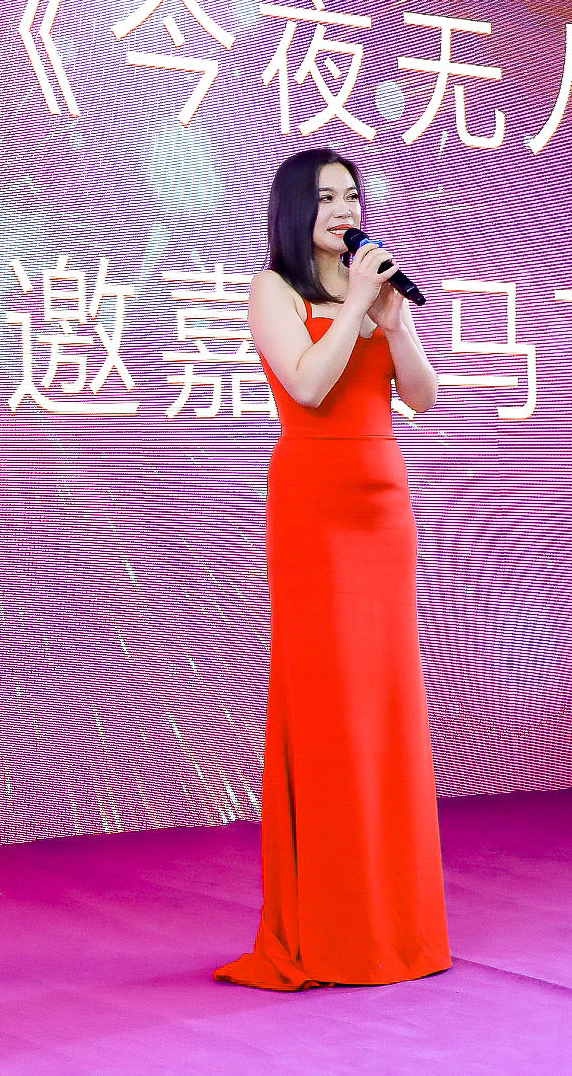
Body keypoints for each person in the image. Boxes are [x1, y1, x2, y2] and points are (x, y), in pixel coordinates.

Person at [215, 146, 451, 991]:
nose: (343, 210)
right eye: (324, 198)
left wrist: (396, 324)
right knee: (329, 708)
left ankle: (395, 923)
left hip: (383, 508)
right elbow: (308, 388)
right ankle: (331, 925)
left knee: (386, 705)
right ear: (293, 210)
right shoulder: (272, 290)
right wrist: (353, 308)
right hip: (314, 510)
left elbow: (420, 397)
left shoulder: (372, 292)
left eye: (351, 195)